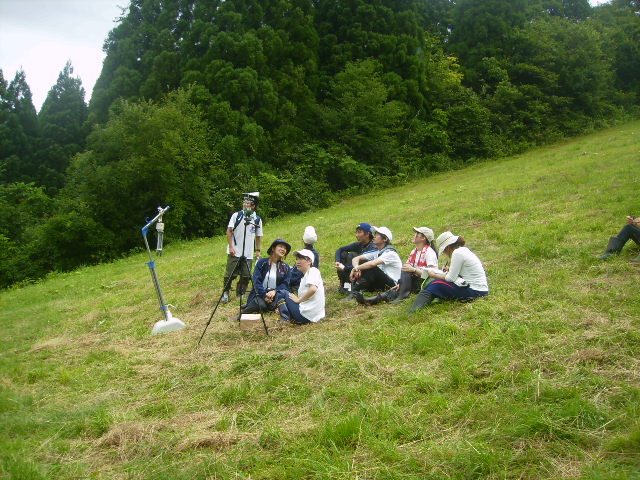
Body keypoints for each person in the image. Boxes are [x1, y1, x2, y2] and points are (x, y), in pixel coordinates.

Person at [356, 226, 438, 305]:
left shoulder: (429, 252)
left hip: (423, 283)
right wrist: (401, 283)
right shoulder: (414, 251)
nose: (414, 235)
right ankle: (369, 300)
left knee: (406, 269)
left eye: (417, 233)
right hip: (413, 281)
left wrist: (414, 270)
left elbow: (432, 276)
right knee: (393, 290)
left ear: (423, 238)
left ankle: (402, 295)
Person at [409, 231, 488, 313]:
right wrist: (450, 269)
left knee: (436, 284)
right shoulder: (463, 250)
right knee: (436, 283)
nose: (444, 253)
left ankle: (413, 310)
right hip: (480, 289)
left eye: (444, 251)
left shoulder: (457, 253)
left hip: (474, 291)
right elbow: (464, 270)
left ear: (448, 247)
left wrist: (434, 275)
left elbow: (450, 278)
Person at [222, 192, 263, 303]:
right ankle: (225, 292)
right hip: (235, 251)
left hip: (248, 253)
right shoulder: (237, 215)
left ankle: (241, 293)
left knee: (246, 275)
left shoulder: (257, 220)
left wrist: (258, 250)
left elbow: (258, 236)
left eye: (247, 203)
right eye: (244, 202)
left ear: (253, 206)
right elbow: (229, 231)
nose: (244, 204)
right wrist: (231, 247)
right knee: (230, 274)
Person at [348, 226, 402, 301]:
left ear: (385, 239)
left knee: (371, 267)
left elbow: (372, 264)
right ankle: (352, 289)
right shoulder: (377, 251)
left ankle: (354, 292)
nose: (374, 236)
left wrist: (355, 268)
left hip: (392, 285)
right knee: (354, 257)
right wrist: (357, 268)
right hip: (380, 282)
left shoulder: (390, 253)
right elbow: (356, 258)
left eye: (377, 235)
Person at [242, 239, 291, 313]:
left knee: (280, 303)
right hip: (260, 294)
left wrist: (275, 291)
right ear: (273, 248)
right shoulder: (262, 262)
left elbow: (285, 284)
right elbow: (256, 281)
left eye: (285, 248)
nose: (283, 249)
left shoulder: (286, 267)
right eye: (280, 246)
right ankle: (244, 313)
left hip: (276, 296)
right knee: (261, 304)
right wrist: (264, 295)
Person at [276, 249, 325, 324]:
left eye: (301, 258)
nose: (297, 262)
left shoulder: (313, 270)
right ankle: (285, 312)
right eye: (297, 259)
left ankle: (285, 319)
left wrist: (299, 300)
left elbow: (313, 289)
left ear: (309, 261)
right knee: (287, 295)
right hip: (309, 314)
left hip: (306, 315)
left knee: (282, 292)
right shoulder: (305, 276)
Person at [334, 223, 376, 293]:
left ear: (367, 234)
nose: (356, 235)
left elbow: (365, 266)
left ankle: (352, 286)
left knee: (352, 255)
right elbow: (340, 249)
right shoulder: (359, 244)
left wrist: (344, 268)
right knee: (343, 254)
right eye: (356, 232)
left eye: (359, 232)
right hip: (355, 269)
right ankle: (344, 284)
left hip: (365, 273)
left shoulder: (373, 247)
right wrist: (337, 261)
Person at [286, 226, 320, 292]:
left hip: (300, 284)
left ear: (303, 240)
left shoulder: (303, 255)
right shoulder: (315, 254)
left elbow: (296, 276)